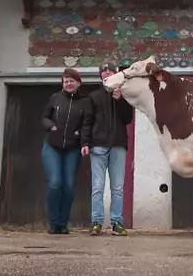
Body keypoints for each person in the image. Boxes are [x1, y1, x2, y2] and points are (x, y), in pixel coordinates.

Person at [82, 61, 135, 236]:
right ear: (100, 75)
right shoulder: (94, 96)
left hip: (118, 145)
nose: (106, 73)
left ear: (116, 74)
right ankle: (96, 223)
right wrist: (85, 143)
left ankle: (117, 223)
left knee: (117, 187)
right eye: (103, 71)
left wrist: (120, 100)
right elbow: (87, 121)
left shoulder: (124, 95)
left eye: (109, 70)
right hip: (98, 146)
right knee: (97, 186)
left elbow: (128, 119)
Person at [41, 68, 90, 234]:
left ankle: (63, 223)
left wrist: (81, 138)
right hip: (52, 146)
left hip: (72, 148)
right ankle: (53, 223)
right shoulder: (55, 98)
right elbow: (45, 117)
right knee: (55, 183)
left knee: (68, 186)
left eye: (71, 81)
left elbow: (86, 124)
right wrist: (51, 126)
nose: (68, 84)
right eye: (65, 81)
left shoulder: (85, 102)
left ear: (78, 83)